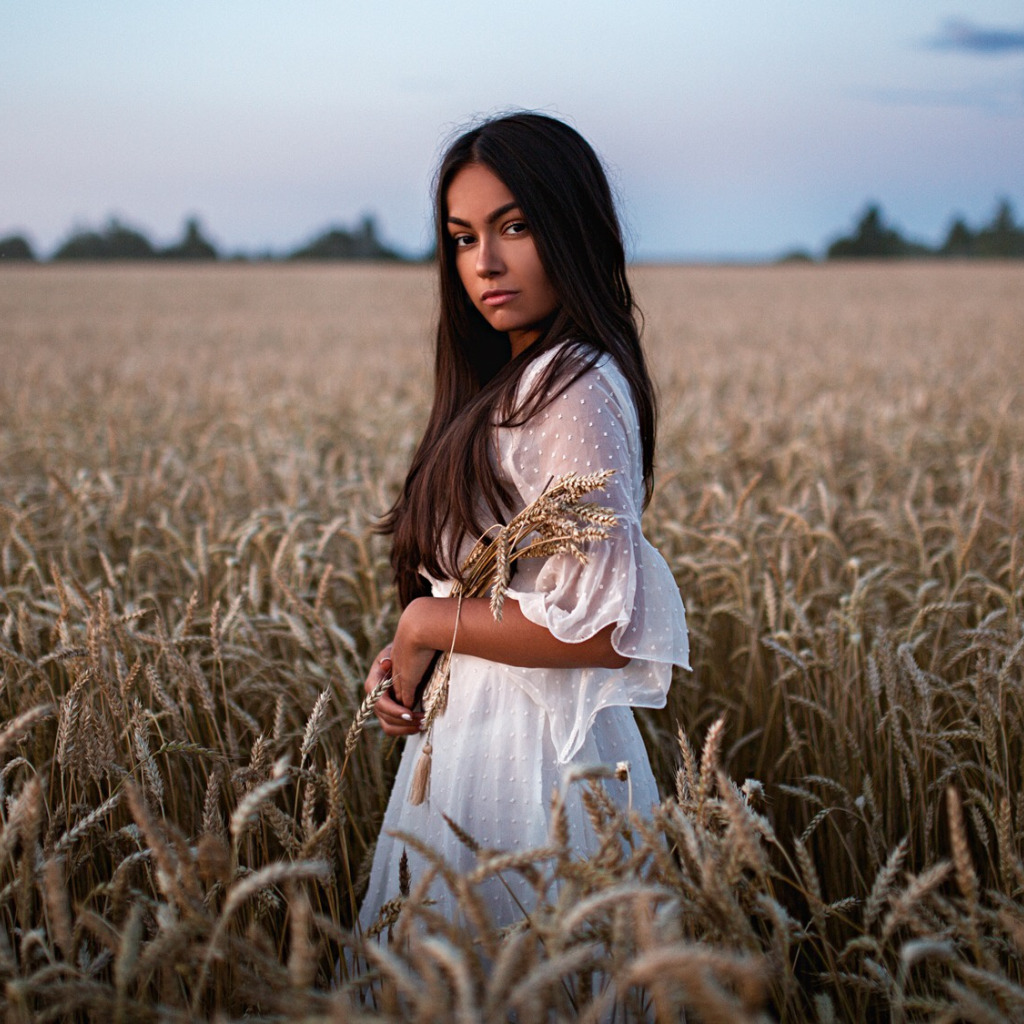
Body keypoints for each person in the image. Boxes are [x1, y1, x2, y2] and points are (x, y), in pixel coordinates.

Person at [358, 112, 689, 933]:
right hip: (473, 739)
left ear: (572, 227)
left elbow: (604, 629)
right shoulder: (515, 381)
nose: (486, 263)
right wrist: (416, 663)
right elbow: (505, 585)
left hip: (538, 760)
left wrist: (426, 621)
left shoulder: (570, 384)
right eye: (463, 237)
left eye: (514, 226)